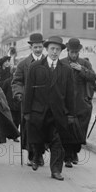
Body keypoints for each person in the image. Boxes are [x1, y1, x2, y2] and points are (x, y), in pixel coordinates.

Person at [23, 36, 75, 181]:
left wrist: (71, 114)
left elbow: (70, 94)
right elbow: (29, 92)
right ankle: (36, 155)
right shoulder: (35, 67)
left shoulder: (66, 70)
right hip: (39, 111)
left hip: (58, 113)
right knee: (38, 138)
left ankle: (56, 170)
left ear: (61, 52)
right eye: (52, 49)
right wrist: (27, 111)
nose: (54, 52)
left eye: (57, 49)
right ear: (46, 49)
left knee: (57, 141)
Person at [60, 38, 96, 166]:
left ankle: (75, 151)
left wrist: (81, 69)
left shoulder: (84, 63)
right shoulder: (62, 63)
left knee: (80, 130)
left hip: (81, 102)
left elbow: (93, 77)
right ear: (67, 51)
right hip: (66, 102)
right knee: (68, 129)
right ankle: (68, 157)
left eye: (76, 52)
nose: (74, 55)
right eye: (72, 52)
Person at [11, 33, 45, 167]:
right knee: (29, 128)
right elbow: (17, 81)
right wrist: (19, 93)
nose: (38, 49)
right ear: (31, 47)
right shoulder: (23, 64)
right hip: (28, 102)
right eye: (35, 47)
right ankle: (32, 155)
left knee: (43, 128)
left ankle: (40, 154)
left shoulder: (48, 62)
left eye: (40, 47)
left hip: (44, 102)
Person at [0, 56, 20, 136]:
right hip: (7, 97)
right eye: (6, 61)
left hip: (15, 100)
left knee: (16, 118)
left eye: (8, 61)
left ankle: (14, 133)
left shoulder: (10, 71)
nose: (7, 63)